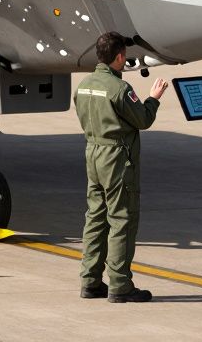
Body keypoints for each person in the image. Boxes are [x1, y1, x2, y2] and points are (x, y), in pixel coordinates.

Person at [75, 32, 168, 303]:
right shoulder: (120, 89)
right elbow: (143, 119)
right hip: (116, 159)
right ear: (119, 57)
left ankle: (90, 281)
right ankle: (120, 284)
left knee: (95, 217)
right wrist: (154, 98)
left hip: (92, 152)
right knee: (121, 220)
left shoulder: (83, 85)